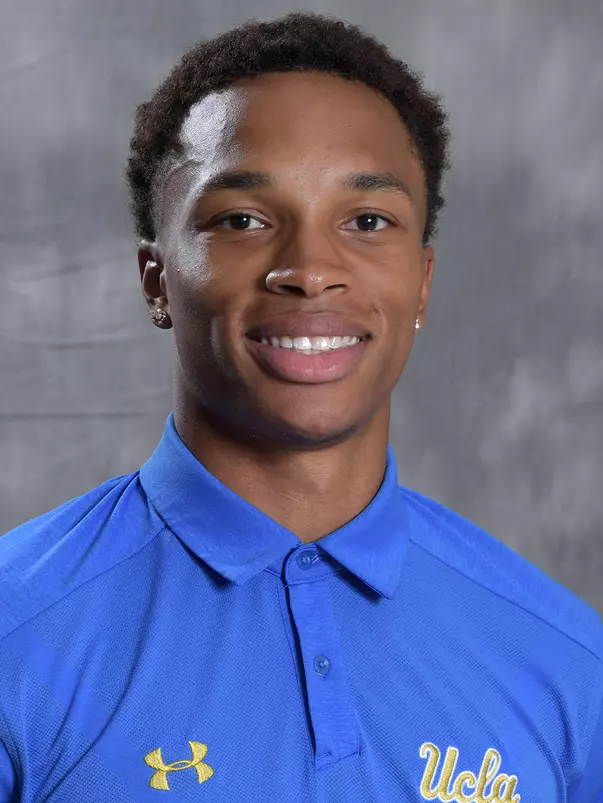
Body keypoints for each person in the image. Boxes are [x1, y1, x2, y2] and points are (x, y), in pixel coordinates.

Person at [0, 11, 601, 802]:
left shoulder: (565, 659)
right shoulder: (19, 634)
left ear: (420, 283)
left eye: (366, 221)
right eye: (241, 221)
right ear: (156, 282)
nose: (311, 270)